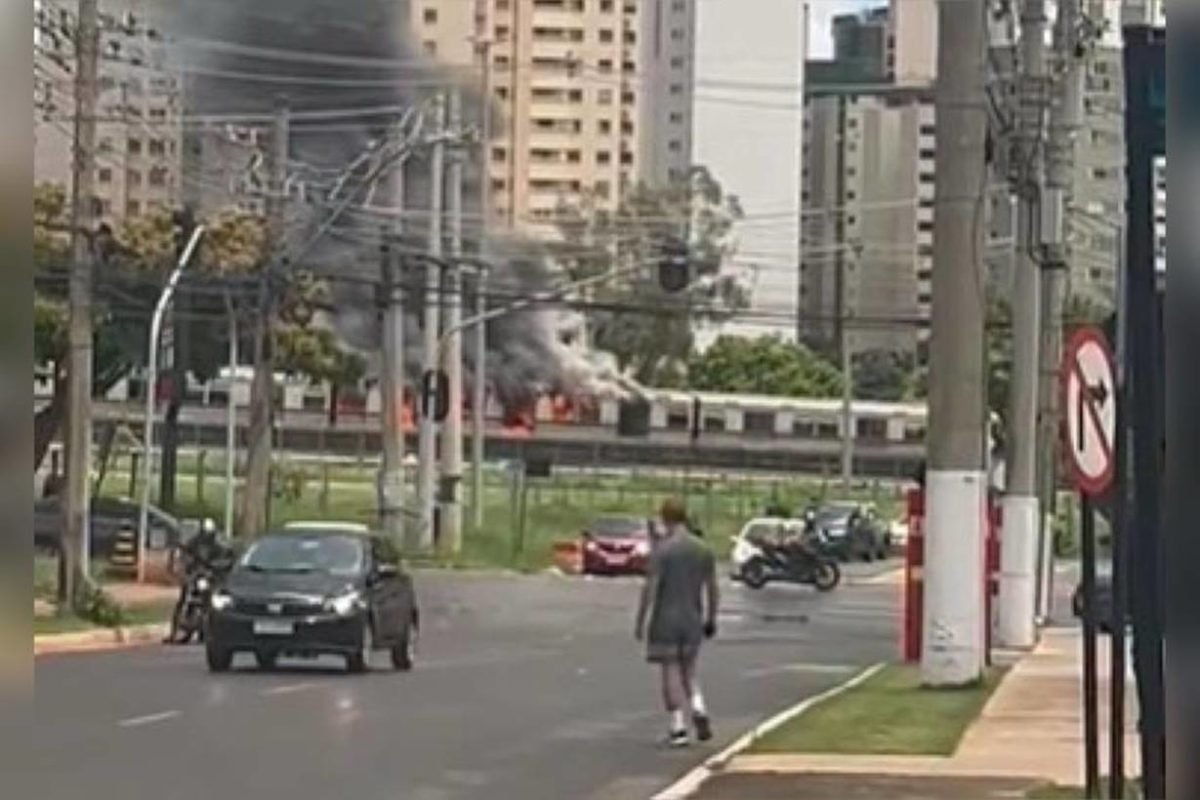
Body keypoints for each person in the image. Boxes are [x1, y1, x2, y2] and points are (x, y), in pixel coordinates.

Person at [635, 498, 719, 747]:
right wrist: (711, 617)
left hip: (666, 617)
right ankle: (699, 706)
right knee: (689, 670)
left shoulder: (662, 550)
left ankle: (678, 725)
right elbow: (712, 588)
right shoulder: (703, 549)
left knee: (670, 669)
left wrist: (641, 619)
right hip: (692, 617)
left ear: (665, 518)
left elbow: (651, 587)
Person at [164, 521, 233, 644]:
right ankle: (174, 632)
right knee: (182, 600)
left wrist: (218, 568)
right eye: (205, 533)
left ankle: (209, 628)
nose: (206, 536)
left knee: (214, 600)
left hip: (208, 576)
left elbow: (224, 558)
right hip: (194, 575)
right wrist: (185, 566)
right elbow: (185, 554)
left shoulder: (217, 547)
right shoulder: (193, 543)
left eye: (209, 533)